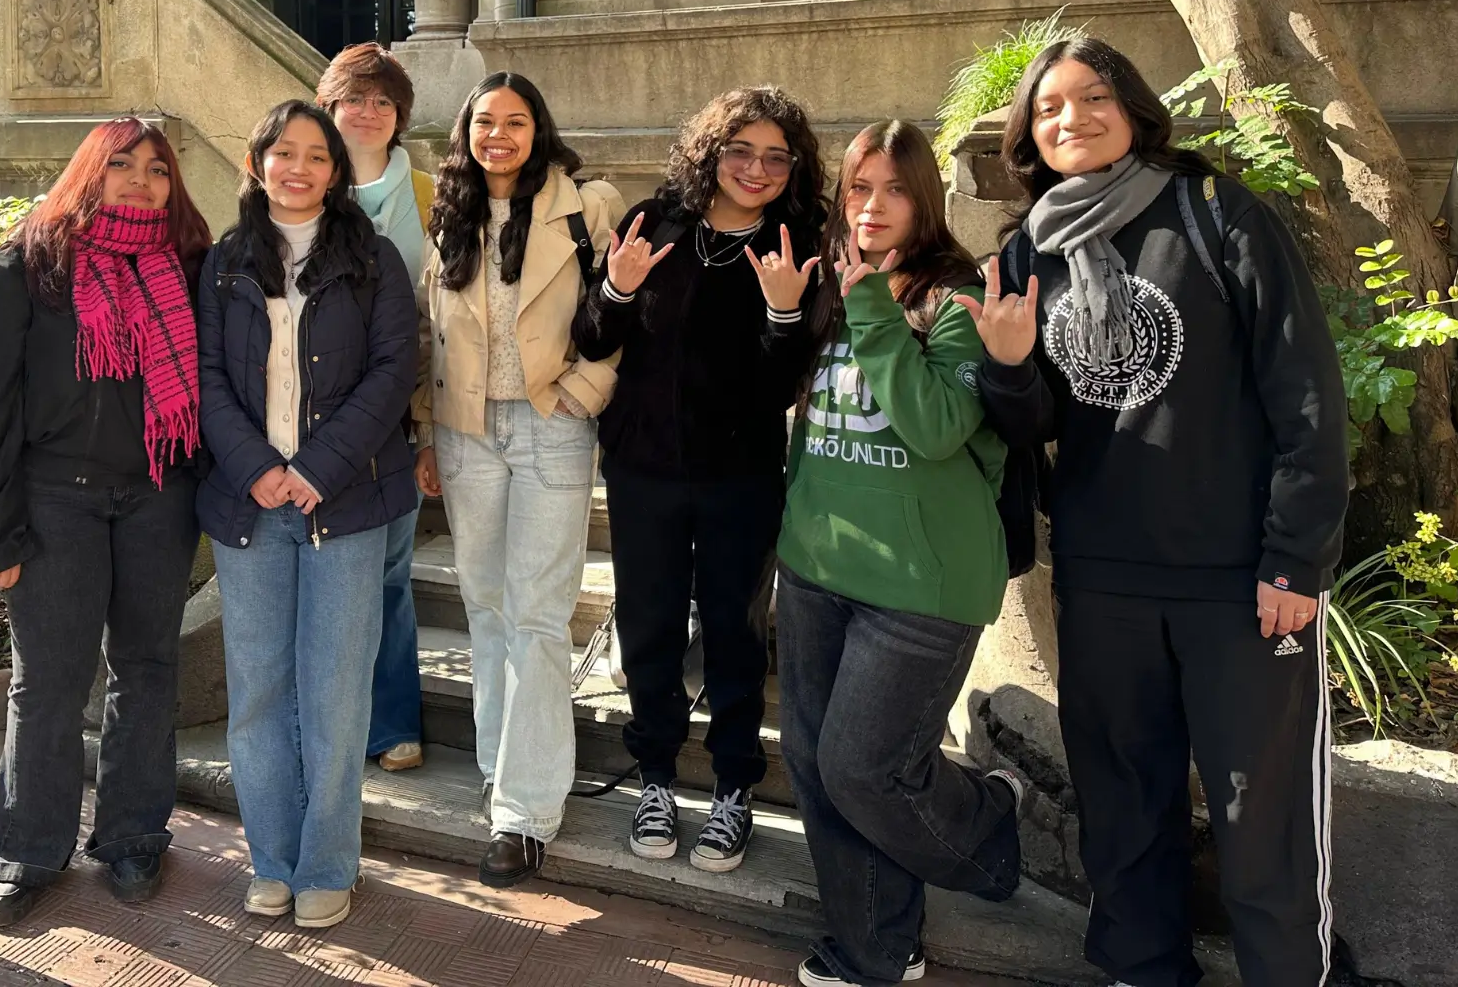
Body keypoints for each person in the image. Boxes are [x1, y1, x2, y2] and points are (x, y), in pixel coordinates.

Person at [971, 38, 1348, 987]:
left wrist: (1294, 561)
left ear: (1132, 106)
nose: (1071, 119)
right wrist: (1009, 365)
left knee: (1262, 821)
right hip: (1103, 579)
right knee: (1124, 810)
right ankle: (1143, 969)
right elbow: (1034, 428)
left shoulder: (1215, 211)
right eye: (1049, 108)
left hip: (1239, 583)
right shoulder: (1030, 249)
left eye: (1092, 97)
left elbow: (1304, 391)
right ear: (1029, 135)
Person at [776, 119, 1023, 987]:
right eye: (857, 188)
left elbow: (935, 427)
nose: (870, 207)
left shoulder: (956, 294)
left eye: (893, 189)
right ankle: (877, 945)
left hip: (920, 584)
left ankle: (990, 838)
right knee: (813, 763)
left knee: (864, 770)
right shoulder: (832, 288)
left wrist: (877, 310)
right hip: (816, 566)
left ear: (925, 198)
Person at [0, 119, 211, 927]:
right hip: (55, 496)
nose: (139, 181)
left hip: (158, 496)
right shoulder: (29, 266)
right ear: (87, 174)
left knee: (147, 668)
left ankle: (133, 834)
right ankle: (26, 847)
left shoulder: (195, 267)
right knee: (49, 680)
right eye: (120, 164)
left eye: (156, 169)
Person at [570, 86, 827, 872]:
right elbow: (591, 332)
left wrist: (784, 313)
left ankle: (733, 788)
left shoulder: (798, 240)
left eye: (776, 156)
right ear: (711, 151)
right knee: (648, 624)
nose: (756, 168)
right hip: (644, 465)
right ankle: (652, 776)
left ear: (794, 168)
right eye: (741, 150)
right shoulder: (660, 221)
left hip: (740, 472)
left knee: (734, 630)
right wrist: (614, 288)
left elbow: (787, 380)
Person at [197, 100, 418, 931]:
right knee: (258, 692)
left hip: (347, 502)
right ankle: (272, 860)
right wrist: (255, 468)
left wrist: (316, 469)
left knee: (333, 692)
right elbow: (207, 375)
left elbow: (395, 370)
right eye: (282, 153)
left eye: (316, 156)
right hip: (249, 507)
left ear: (336, 170)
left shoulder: (374, 259)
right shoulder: (224, 263)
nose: (298, 168)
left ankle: (328, 862)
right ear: (256, 163)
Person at [413, 72, 622, 888]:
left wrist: (586, 390)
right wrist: (428, 430)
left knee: (537, 615)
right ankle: (502, 770)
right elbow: (432, 331)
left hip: (551, 426)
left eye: (516, 121)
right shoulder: (451, 214)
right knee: (486, 608)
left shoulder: (587, 206)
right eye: (484, 122)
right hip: (468, 434)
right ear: (466, 131)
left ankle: (525, 813)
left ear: (540, 128)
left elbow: (623, 307)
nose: (498, 135)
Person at [315, 43, 434, 775]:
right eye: (353, 98)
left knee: (389, 570)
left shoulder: (429, 194)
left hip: (397, 412)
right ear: (328, 107)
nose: (367, 112)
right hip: (309, 417)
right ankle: (326, 721)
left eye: (383, 101)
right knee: (321, 575)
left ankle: (391, 722)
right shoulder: (297, 184)